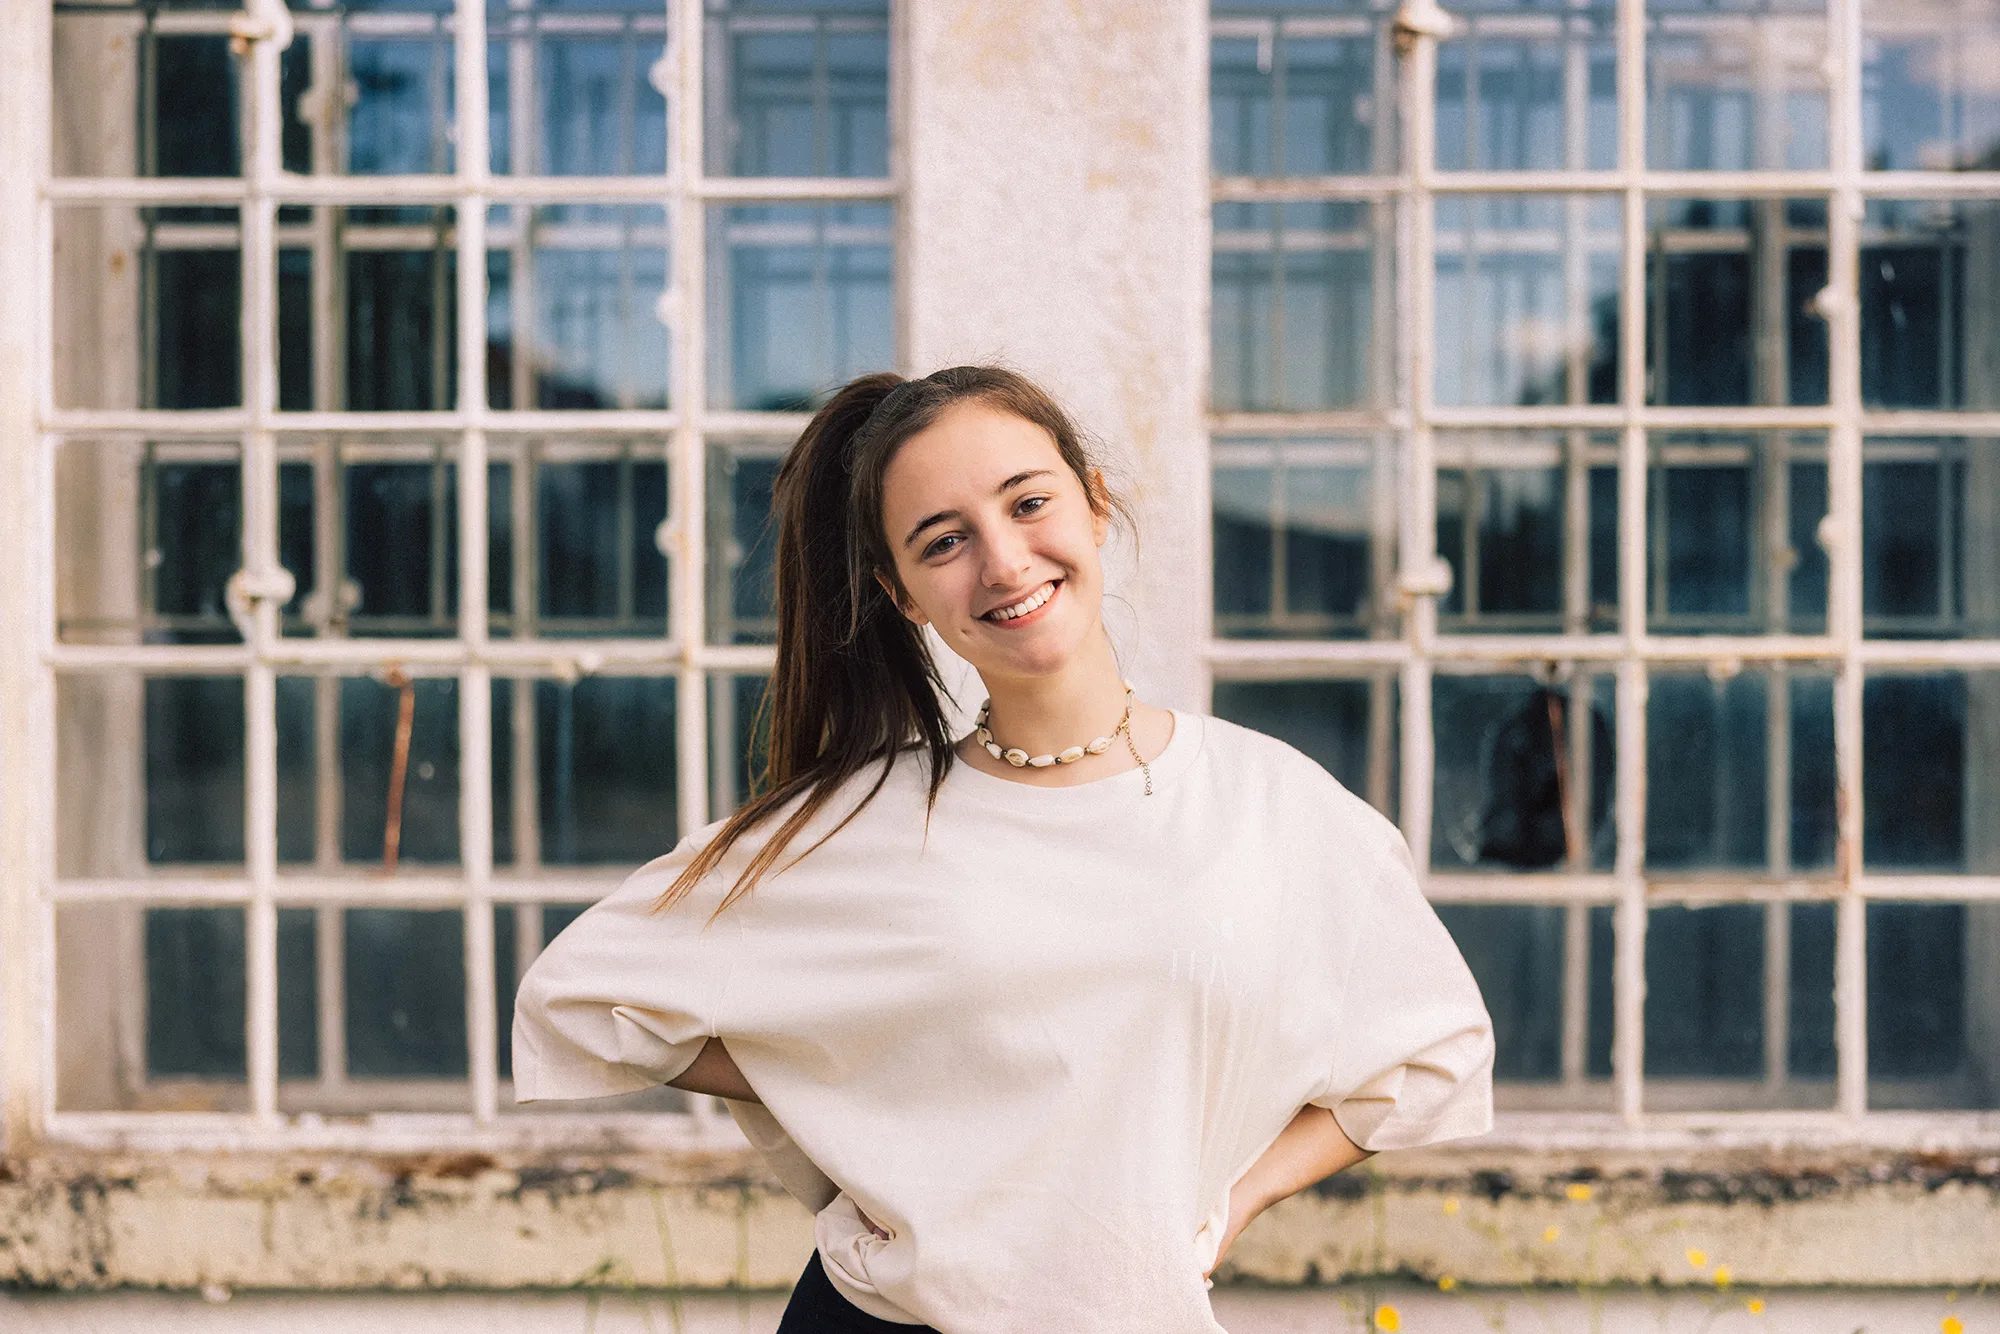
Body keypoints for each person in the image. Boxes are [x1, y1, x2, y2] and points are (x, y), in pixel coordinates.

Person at [512, 366, 1495, 1333]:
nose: (1004, 562)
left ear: (1095, 502)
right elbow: (583, 997)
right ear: (902, 594)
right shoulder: (862, 821)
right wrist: (852, 1075)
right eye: (943, 541)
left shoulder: (1268, 802)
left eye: (1028, 503)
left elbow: (1428, 1052)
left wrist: (1233, 1201)